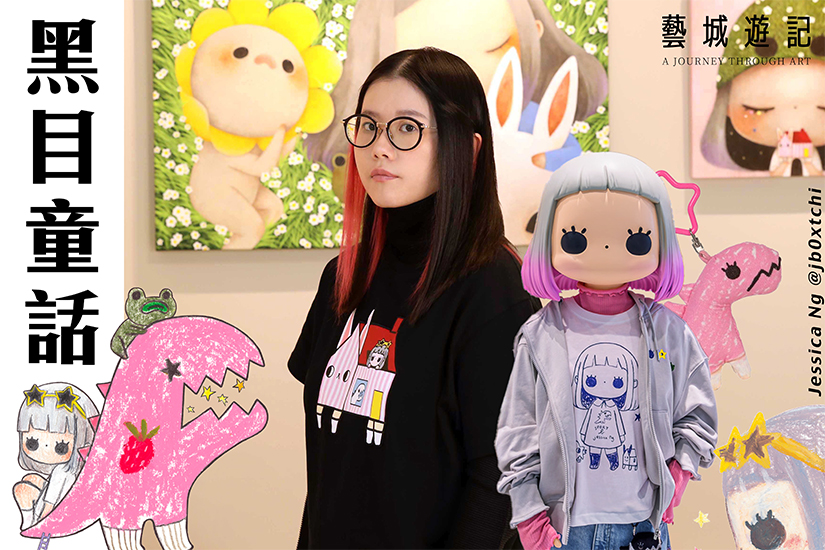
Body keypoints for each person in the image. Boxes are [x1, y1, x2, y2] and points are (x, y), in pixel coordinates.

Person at [288, 47, 541, 548]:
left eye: (406, 128)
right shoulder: (342, 276)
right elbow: (333, 467)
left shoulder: (495, 291)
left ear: (467, 148)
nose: (379, 148)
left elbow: (500, 483)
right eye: (368, 126)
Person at [495, 152, 719, 550]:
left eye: (636, 240)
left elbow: (697, 413)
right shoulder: (540, 334)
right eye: (576, 238)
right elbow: (518, 430)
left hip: (642, 527)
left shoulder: (669, 332)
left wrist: (679, 472)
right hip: (562, 529)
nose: (606, 251)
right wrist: (528, 513)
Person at [14, 383, 98, 529]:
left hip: (53, 514)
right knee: (30, 478)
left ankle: (30, 524)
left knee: (22, 489)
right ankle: (29, 520)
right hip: (53, 502)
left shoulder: (63, 472)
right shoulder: (65, 470)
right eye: (32, 442)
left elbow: (50, 504)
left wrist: (42, 524)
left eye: (61, 447)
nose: (46, 448)